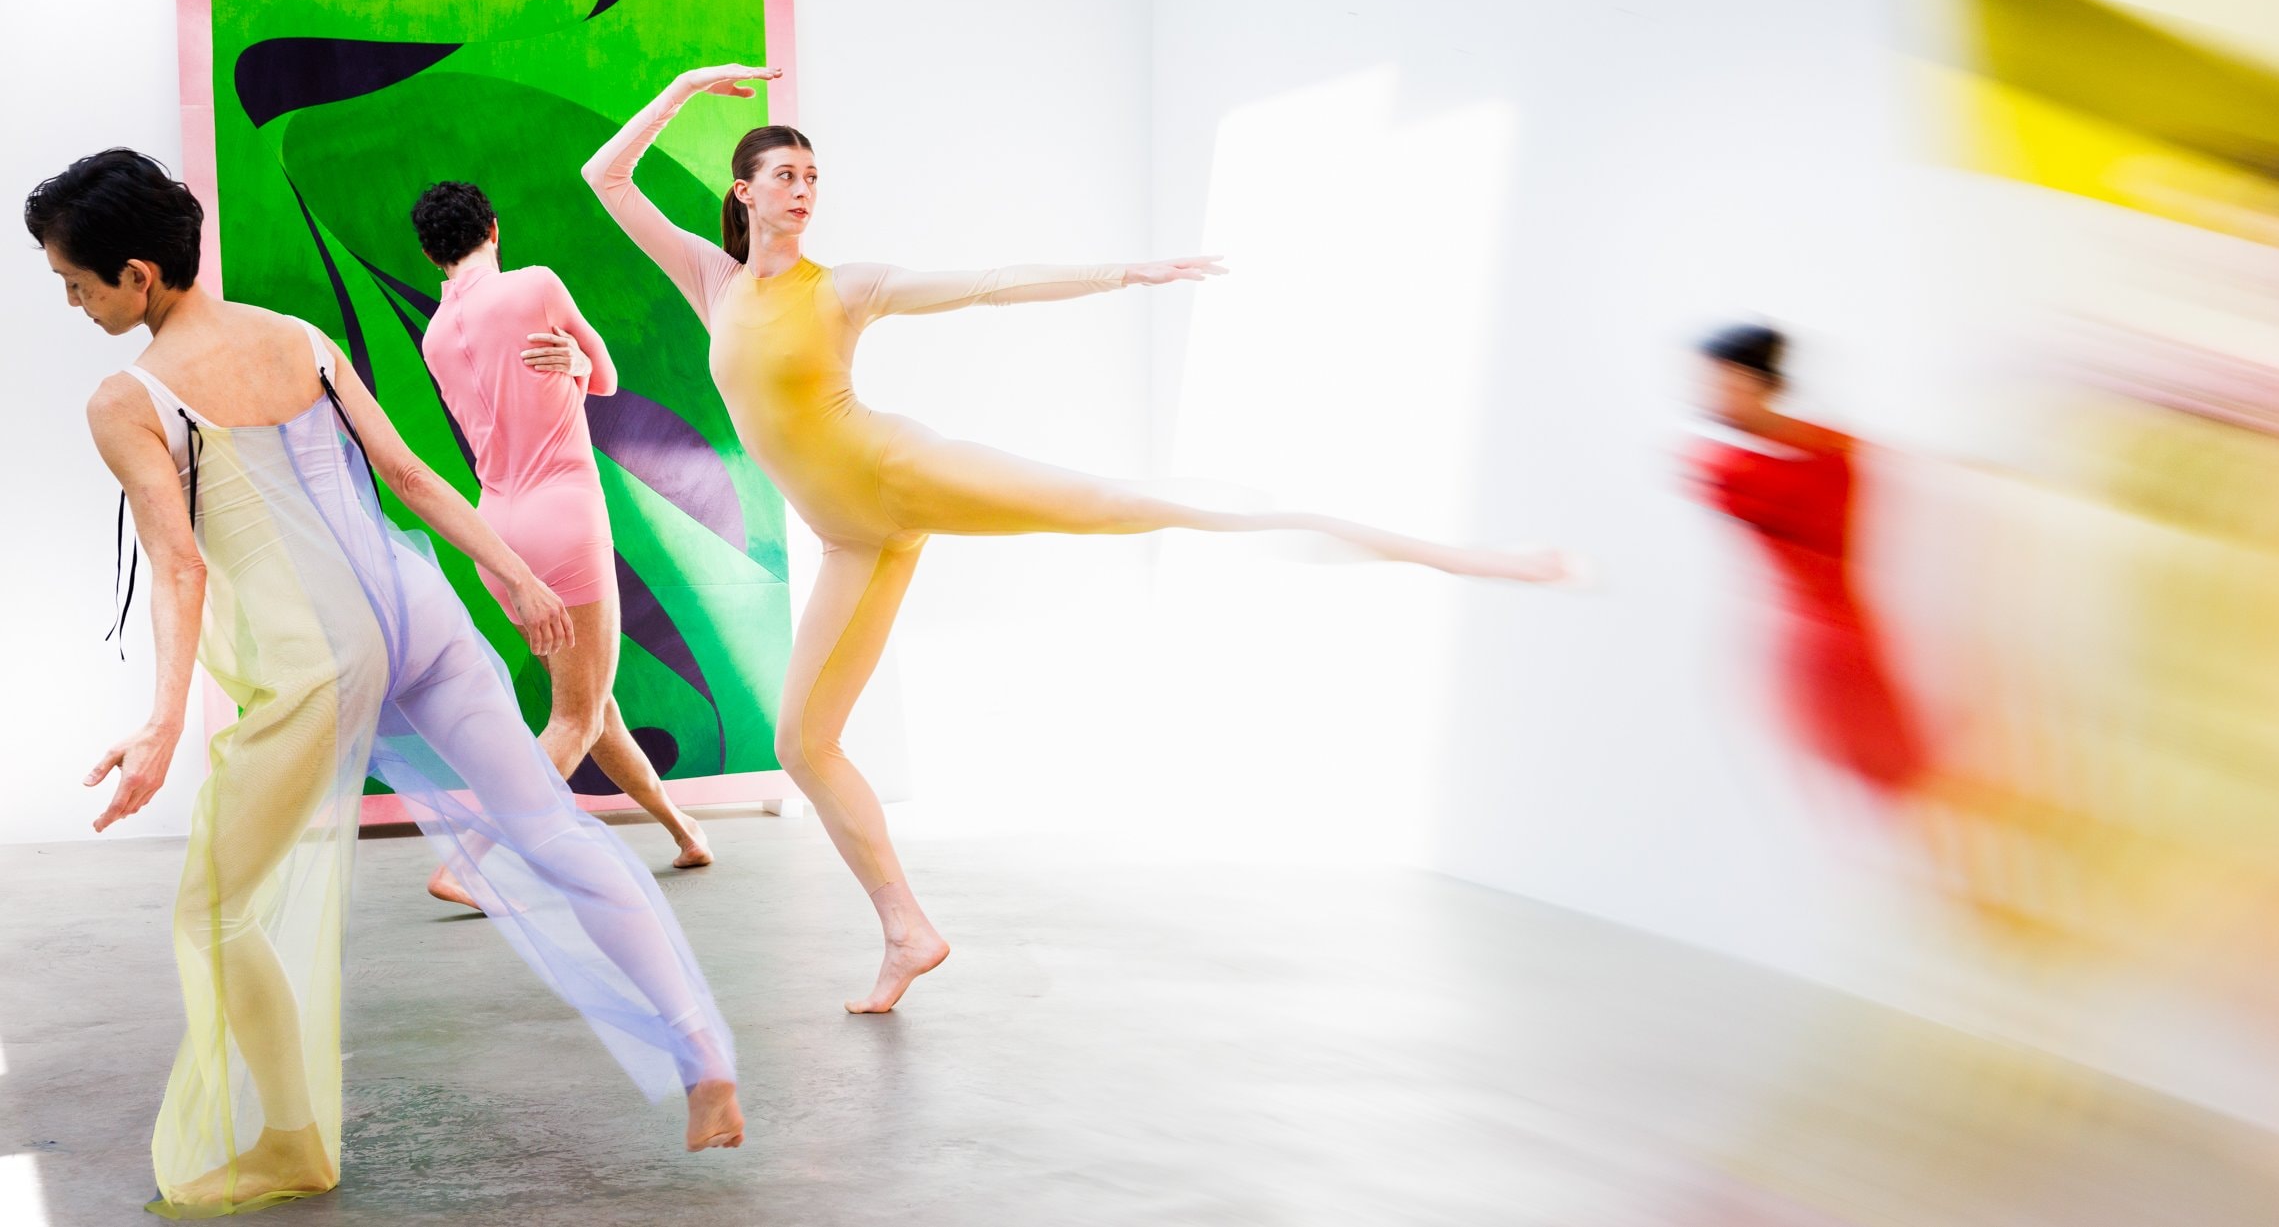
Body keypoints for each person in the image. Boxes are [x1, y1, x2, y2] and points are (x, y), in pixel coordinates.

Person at [585, 63, 1572, 1013]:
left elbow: (989, 283)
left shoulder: (844, 287)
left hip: (898, 473)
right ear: (742, 193)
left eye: (812, 177)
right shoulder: (711, 281)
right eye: (785, 176)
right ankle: (906, 932)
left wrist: (1126, 273)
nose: (803, 191)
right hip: (849, 539)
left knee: (1125, 503)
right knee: (802, 744)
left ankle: (1455, 554)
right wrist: (681, 92)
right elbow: (607, 176)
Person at [29, 149, 742, 1218]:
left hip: (320, 660)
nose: (76, 306)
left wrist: (164, 723)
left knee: (217, 913)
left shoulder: (126, 396)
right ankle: (700, 1051)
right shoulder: (302, 338)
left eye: (76, 285)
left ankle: (288, 1143)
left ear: (138, 274)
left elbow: (178, 564)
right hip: (422, 616)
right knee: (553, 827)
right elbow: (409, 476)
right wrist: (511, 579)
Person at [411, 180, 711, 907]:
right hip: (563, 515)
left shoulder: (432, 335)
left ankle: (684, 830)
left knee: (591, 704)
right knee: (573, 717)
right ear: (493, 225)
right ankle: (468, 860)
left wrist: (569, 372)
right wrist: (576, 366)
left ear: (429, 254)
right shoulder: (534, 285)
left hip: (498, 530)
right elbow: (604, 377)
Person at [1685, 323, 1926, 795]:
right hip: (1826, 641)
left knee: (1892, 778)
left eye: (1722, 383)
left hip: (1832, 646)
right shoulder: (1804, 453)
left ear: (1760, 384)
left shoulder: (1734, 466)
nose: (1707, 397)